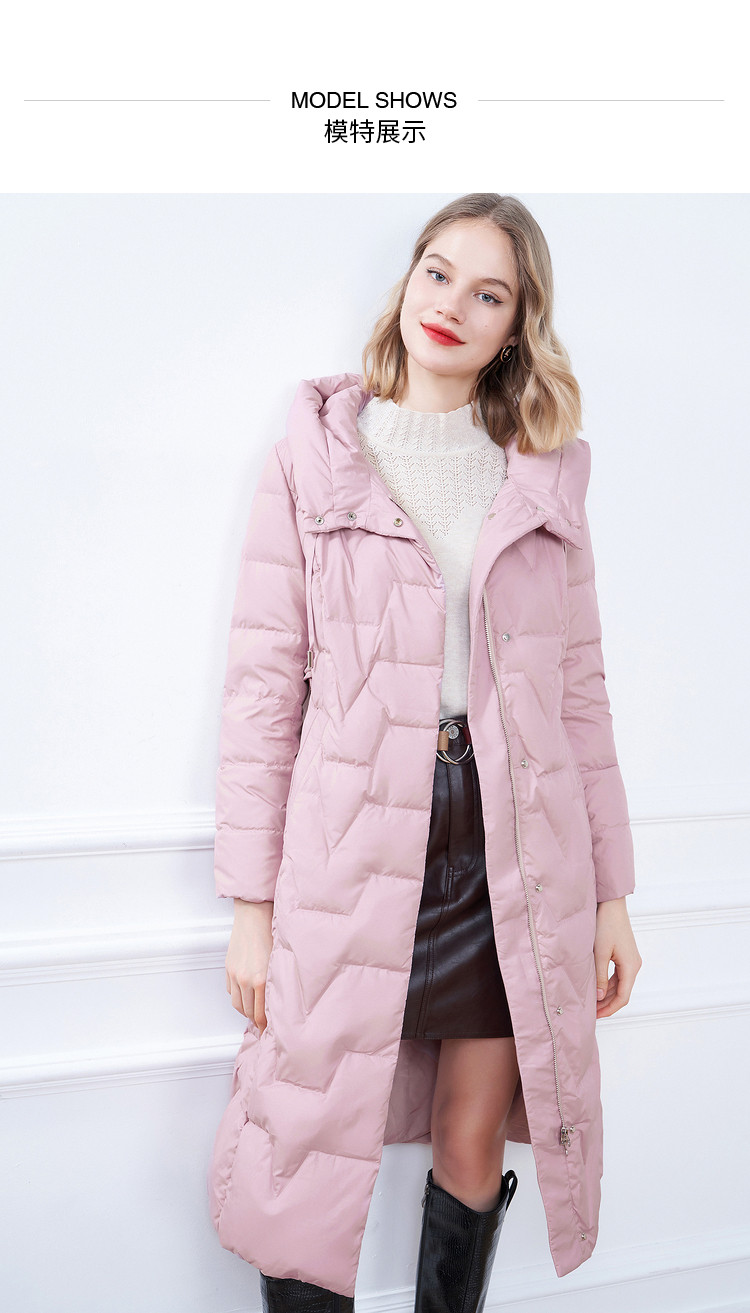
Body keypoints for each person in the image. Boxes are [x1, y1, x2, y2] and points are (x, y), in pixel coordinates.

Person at [207, 193, 642, 1313]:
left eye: (488, 292)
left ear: (516, 326)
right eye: (438, 272)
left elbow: (579, 697)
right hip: (354, 841)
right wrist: (252, 904)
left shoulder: (543, 480)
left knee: (470, 1132)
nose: (452, 304)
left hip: (513, 852)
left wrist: (610, 895)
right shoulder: (315, 462)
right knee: (306, 1138)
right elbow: (263, 691)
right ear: (408, 280)